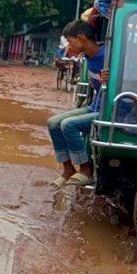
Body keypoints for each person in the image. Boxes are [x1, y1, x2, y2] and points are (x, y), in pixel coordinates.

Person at [47, 20, 108, 187]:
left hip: (109, 110)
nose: (68, 46)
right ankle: (68, 168)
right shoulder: (87, 58)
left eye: (70, 41)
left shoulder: (108, 56)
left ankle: (86, 170)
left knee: (68, 125)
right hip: (95, 106)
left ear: (81, 38)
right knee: (53, 123)